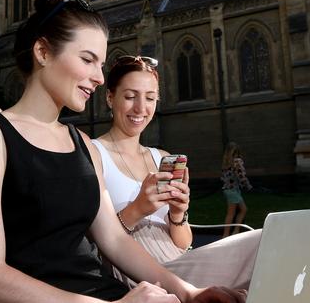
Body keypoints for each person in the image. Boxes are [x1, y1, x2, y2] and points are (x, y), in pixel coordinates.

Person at [0, 0, 246, 303]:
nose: (98, 77)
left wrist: (190, 293)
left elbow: (116, 241)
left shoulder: (82, 145)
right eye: (87, 60)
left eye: (101, 64)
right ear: (42, 52)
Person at [92, 55, 260, 290]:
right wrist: (138, 209)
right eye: (130, 96)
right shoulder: (94, 152)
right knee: (264, 243)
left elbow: (183, 243)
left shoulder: (160, 156)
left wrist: (178, 213)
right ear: (110, 98)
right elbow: (93, 243)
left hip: (179, 262)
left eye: (150, 98)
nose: (141, 108)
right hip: (140, 274)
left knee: (282, 267)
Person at [221, 142, 252, 237]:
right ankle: (227, 234)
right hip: (232, 190)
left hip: (229, 189)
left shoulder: (226, 163)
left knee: (241, 210)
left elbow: (223, 178)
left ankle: (235, 231)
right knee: (232, 213)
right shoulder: (237, 161)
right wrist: (248, 186)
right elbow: (241, 176)